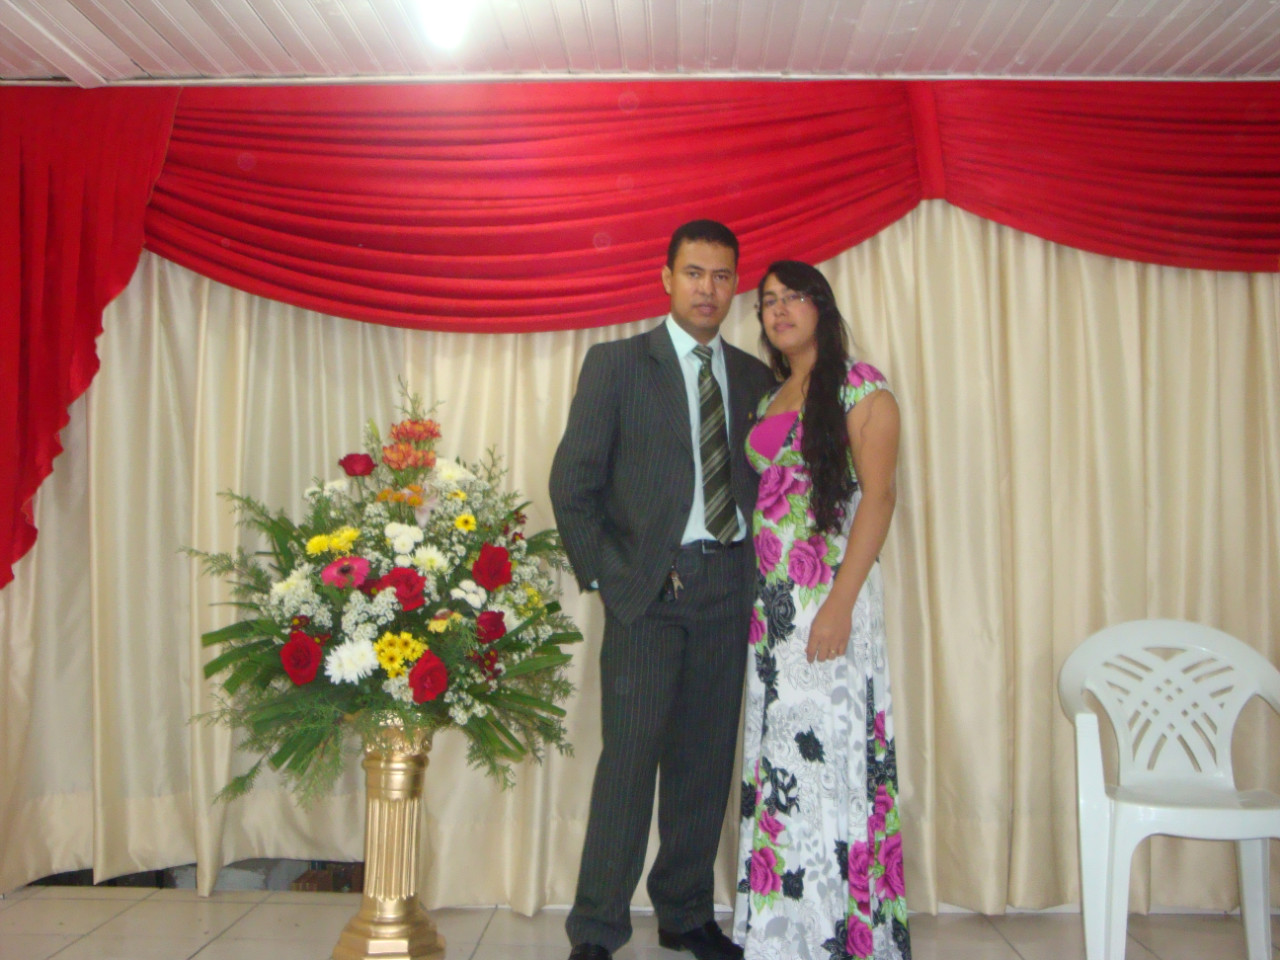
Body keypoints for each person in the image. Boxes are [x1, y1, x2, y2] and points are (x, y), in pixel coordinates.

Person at [550, 220, 775, 960]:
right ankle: (597, 929)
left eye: (721, 275)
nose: (708, 288)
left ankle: (684, 913)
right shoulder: (618, 364)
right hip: (649, 592)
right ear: (667, 278)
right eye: (694, 273)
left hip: (729, 585)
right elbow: (572, 483)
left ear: (734, 285)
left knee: (705, 762)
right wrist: (613, 581)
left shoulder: (754, 378)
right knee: (629, 763)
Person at [732, 261, 910, 960]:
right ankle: (784, 932)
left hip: (832, 603)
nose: (778, 310)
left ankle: (838, 932)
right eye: (768, 301)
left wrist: (837, 605)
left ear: (822, 307)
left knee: (827, 759)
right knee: (782, 762)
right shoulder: (770, 396)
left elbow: (879, 499)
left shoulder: (862, 388)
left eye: (793, 297)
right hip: (773, 614)